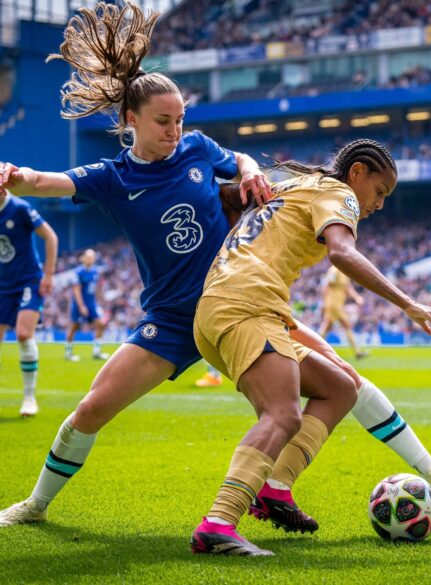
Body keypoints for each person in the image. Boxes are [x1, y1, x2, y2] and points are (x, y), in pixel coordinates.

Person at [0, 1, 271, 526]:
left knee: (318, 389)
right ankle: (35, 505)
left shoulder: (196, 148)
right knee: (91, 409)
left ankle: (285, 492)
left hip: (233, 305)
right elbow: (49, 182)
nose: (175, 130)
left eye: (180, 120)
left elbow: (237, 161)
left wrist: (254, 168)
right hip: (170, 321)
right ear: (131, 120)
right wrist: (12, 173)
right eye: (163, 121)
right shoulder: (112, 177)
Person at [192, 139, 431, 556]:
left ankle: (275, 488)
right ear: (358, 172)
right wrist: (408, 303)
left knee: (340, 385)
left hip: (228, 307)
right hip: (245, 306)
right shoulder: (338, 191)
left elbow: (226, 197)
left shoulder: (296, 182)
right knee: (282, 414)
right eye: (380, 191)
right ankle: (218, 524)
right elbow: (342, 253)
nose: (379, 204)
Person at [0, 190, 58, 416]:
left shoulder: (20, 208)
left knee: (24, 334)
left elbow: (50, 236)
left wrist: (49, 274)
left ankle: (29, 397)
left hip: (28, 280)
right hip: (3, 284)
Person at [64, 248, 109, 362]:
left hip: (92, 304)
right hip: (80, 304)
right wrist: (81, 306)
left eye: (92, 257)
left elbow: (95, 289)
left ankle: (96, 352)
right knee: (74, 327)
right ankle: (68, 353)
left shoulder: (95, 272)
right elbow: (76, 291)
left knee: (100, 324)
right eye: (88, 257)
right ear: (83, 258)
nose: (90, 259)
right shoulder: (78, 272)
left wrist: (100, 301)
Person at [319, 264, 368, 359]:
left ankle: (312, 347)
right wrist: (324, 302)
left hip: (338, 304)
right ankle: (357, 351)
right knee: (346, 325)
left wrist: (357, 297)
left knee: (327, 327)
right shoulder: (334, 270)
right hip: (333, 304)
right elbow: (326, 286)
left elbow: (348, 288)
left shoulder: (344, 272)